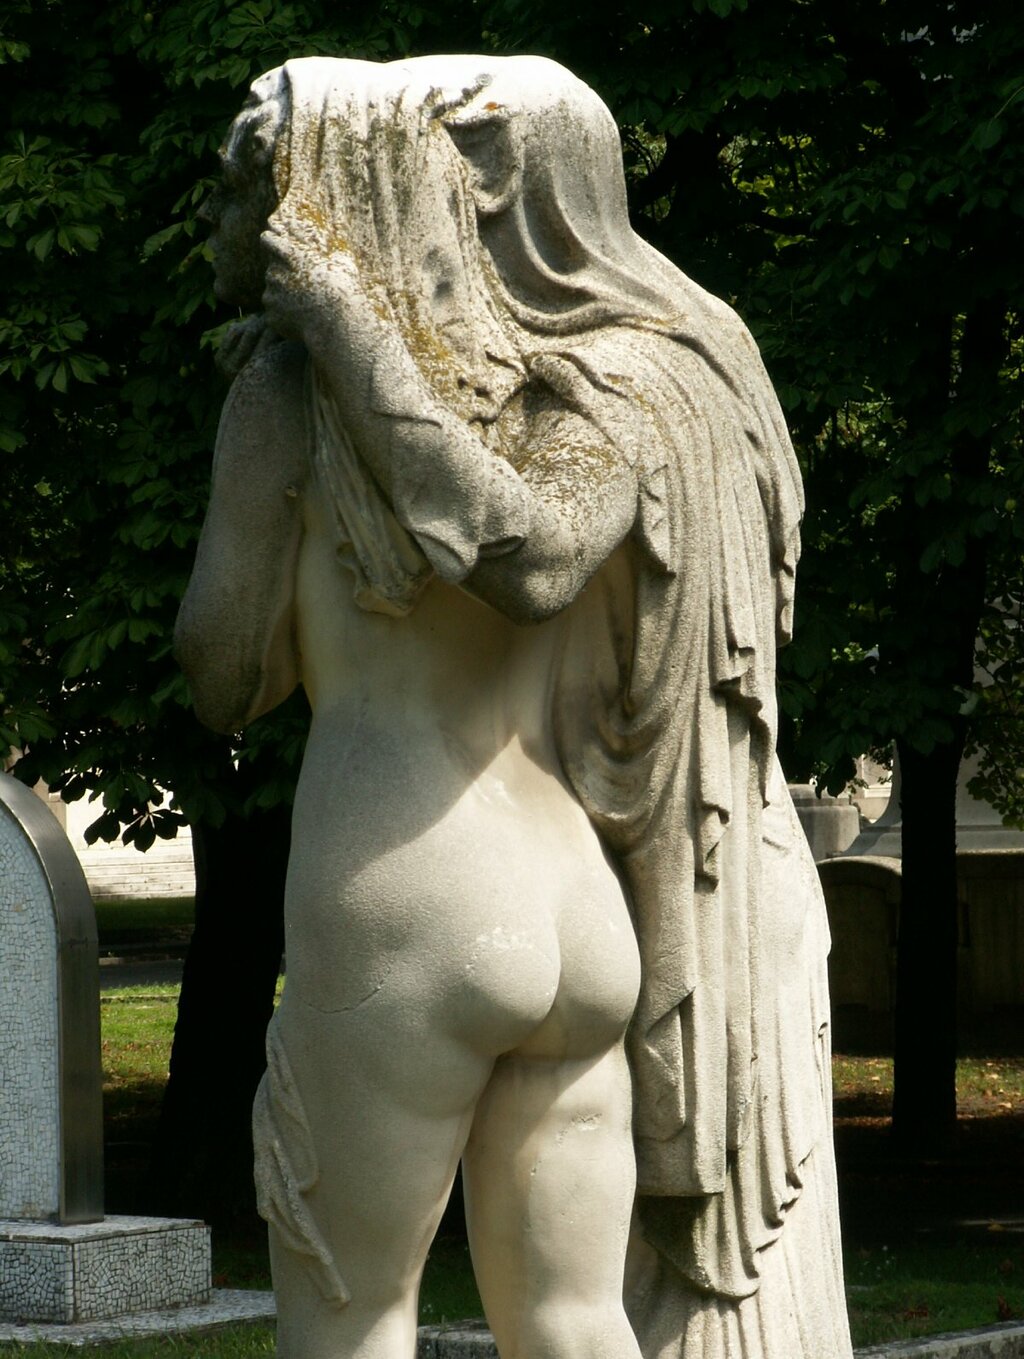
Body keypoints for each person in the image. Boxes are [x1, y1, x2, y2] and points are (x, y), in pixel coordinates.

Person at [176, 54, 852, 1359]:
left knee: (348, 1320)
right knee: (572, 1324)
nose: (217, 221)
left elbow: (218, 672)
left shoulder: (287, 394)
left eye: (235, 191)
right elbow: (544, 565)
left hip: (404, 894)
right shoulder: (573, 396)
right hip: (579, 922)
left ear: (305, 208)